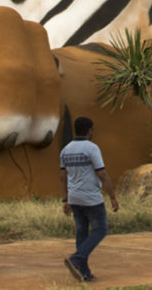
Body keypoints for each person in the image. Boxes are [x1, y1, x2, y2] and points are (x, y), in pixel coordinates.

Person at [59, 116, 119, 282]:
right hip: (91, 197)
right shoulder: (92, 148)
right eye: (93, 129)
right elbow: (102, 173)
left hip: (74, 198)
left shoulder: (65, 150)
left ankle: (84, 273)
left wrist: (65, 200)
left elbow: (63, 177)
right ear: (89, 130)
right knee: (101, 230)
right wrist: (112, 197)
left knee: (82, 232)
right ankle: (76, 259)